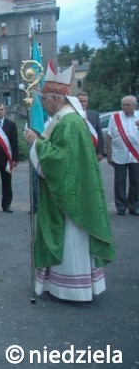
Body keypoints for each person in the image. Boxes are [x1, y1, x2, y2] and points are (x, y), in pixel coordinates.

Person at [24, 64, 115, 302]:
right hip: (68, 195)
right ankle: (59, 285)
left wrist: (35, 143)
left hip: (70, 202)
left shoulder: (69, 123)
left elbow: (60, 162)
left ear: (56, 97)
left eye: (44, 98)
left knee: (70, 243)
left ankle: (72, 289)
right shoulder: (62, 119)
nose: (41, 103)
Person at [105, 95, 139, 216]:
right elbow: (109, 136)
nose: (124, 107)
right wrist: (109, 156)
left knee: (136, 182)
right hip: (119, 155)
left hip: (136, 156)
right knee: (119, 182)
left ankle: (134, 206)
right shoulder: (115, 117)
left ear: (134, 106)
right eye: (123, 105)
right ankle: (121, 207)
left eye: (127, 105)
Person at [77, 91, 105, 161]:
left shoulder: (94, 115)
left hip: (91, 151)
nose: (83, 103)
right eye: (80, 101)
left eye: (85, 101)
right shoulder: (70, 115)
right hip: (76, 151)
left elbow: (99, 134)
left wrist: (100, 152)